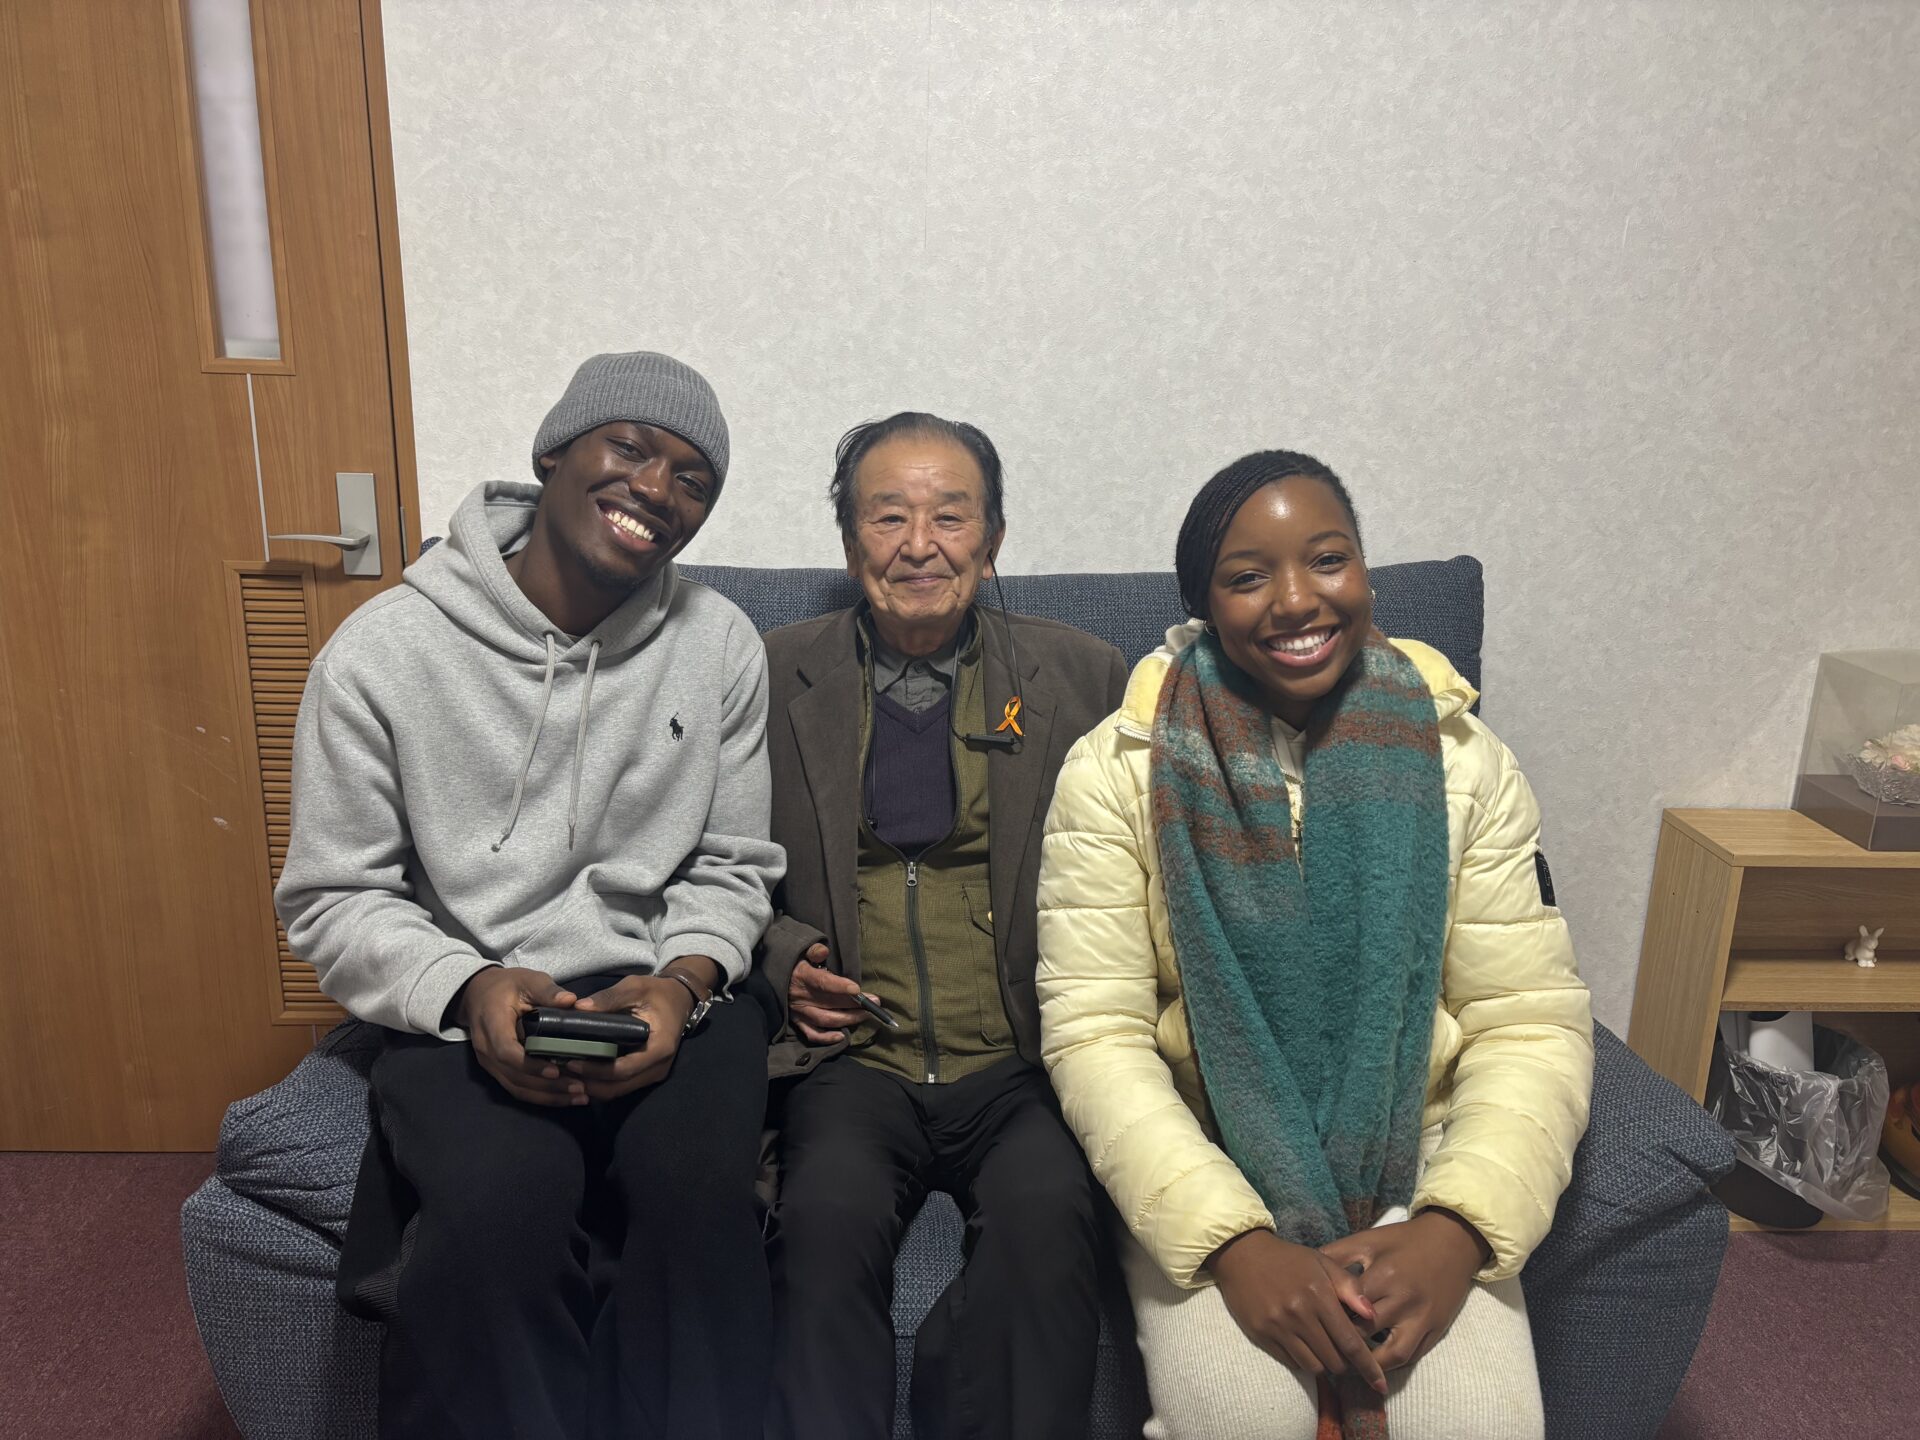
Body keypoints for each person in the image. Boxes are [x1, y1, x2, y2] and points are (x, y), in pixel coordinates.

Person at [275, 351, 783, 1440]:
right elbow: (333, 895)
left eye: (693, 479)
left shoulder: (721, 645)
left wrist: (683, 985)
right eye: (630, 447)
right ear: (554, 453)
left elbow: (735, 866)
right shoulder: (382, 653)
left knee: (699, 1201)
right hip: (469, 992)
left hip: (665, 986)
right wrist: (468, 990)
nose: (657, 488)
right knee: (498, 1212)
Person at [1034, 450, 1593, 1440]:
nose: (1297, 600)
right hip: (1213, 1154)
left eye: (1328, 559)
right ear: (1204, 604)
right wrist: (1233, 1243)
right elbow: (1095, 1035)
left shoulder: (1465, 759)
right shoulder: (1117, 768)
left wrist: (1457, 1228)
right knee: (1244, 1418)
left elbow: (1529, 1022)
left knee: (1476, 1424)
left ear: (1364, 569)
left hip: (1416, 1154)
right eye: (1249, 576)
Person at [758, 413, 1129, 1440]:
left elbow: (1142, 875)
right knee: (821, 1225)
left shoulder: (1086, 679)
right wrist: (781, 960)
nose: (919, 545)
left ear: (992, 539)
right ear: (850, 544)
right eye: (889, 517)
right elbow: (708, 863)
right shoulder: (770, 677)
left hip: (1021, 1060)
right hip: (853, 1060)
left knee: (1050, 1223)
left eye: (950, 517)